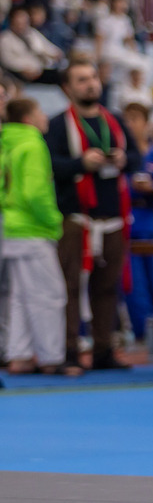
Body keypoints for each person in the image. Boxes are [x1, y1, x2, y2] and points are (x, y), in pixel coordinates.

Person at [45, 59, 140, 371]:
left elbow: (137, 157)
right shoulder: (58, 125)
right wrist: (80, 164)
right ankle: (69, 351)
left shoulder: (113, 121)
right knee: (69, 288)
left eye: (93, 78)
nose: (90, 84)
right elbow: (51, 165)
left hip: (112, 217)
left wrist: (125, 159)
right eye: (82, 79)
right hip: (75, 218)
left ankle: (103, 351)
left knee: (107, 287)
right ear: (67, 88)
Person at [1, 98, 78, 376]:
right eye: (39, 111)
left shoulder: (7, 142)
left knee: (20, 297)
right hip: (34, 228)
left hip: (11, 226)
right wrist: (53, 220)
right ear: (29, 117)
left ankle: (19, 355)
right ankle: (50, 358)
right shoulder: (33, 143)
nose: (44, 117)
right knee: (49, 295)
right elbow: (35, 192)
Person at [122, 102, 153, 342]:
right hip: (128, 223)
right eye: (127, 119)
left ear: (146, 123)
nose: (131, 124)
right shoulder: (122, 154)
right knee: (134, 285)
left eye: (136, 119)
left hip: (151, 223)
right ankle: (141, 331)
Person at [0, 5, 63, 84]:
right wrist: (24, 69)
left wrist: (56, 53)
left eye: (24, 21)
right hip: (19, 73)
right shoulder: (5, 39)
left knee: (61, 73)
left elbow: (48, 47)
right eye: (18, 22)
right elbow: (7, 61)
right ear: (12, 21)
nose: (21, 25)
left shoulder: (32, 33)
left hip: (41, 69)